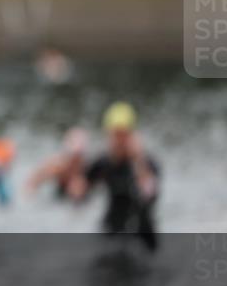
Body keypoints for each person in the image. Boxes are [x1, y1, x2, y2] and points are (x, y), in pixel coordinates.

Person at [69, 102, 160, 251]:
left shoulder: (147, 162)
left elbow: (150, 194)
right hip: (112, 227)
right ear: (108, 135)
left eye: (124, 135)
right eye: (115, 135)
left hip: (142, 231)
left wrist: (138, 160)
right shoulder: (103, 162)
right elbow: (79, 193)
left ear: (132, 135)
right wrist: (73, 167)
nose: (120, 141)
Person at [24, 127, 90, 200]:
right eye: (74, 156)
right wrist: (32, 187)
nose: (75, 159)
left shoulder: (88, 167)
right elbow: (33, 181)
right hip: (59, 195)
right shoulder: (58, 165)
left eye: (79, 156)